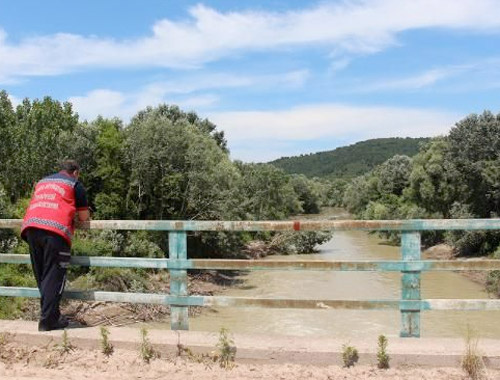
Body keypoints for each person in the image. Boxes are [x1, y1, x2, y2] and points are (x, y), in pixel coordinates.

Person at [21, 160, 90, 331]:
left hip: (31, 228)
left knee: (43, 276)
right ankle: (47, 321)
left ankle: (52, 315)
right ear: (76, 172)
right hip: (55, 231)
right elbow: (83, 217)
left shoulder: (43, 181)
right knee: (54, 276)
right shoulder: (74, 184)